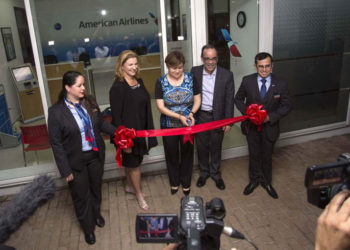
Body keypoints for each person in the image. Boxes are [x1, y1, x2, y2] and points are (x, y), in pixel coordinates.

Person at [48, 71, 116, 245]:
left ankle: (96, 214)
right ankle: (88, 228)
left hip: (94, 156)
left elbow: (101, 124)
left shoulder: (89, 102)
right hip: (75, 162)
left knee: (95, 189)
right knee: (81, 196)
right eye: (79, 85)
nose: (83, 88)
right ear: (67, 88)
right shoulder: (56, 112)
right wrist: (65, 170)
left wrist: (120, 132)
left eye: (83, 84)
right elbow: (56, 144)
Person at [234, 52, 291, 199]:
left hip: (270, 127)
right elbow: (238, 99)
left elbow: (286, 106)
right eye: (260, 67)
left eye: (267, 66)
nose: (264, 70)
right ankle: (253, 181)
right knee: (253, 154)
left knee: (267, 155)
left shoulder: (281, 83)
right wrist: (248, 112)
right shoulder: (247, 81)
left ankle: (267, 182)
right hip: (251, 127)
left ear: (272, 66)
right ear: (255, 66)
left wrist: (269, 117)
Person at [109, 50, 157, 210]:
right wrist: (124, 142)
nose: (134, 67)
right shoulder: (117, 87)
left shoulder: (139, 82)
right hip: (128, 136)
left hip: (140, 132)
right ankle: (139, 194)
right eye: (130, 64)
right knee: (134, 165)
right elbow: (117, 117)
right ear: (121, 66)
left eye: (136, 64)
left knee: (134, 162)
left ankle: (130, 186)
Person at [155, 51, 201, 196]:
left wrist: (191, 114)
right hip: (169, 125)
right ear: (168, 66)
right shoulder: (160, 82)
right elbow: (160, 107)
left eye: (180, 67)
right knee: (172, 154)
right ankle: (174, 182)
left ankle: (186, 183)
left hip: (188, 123)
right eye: (174, 68)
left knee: (187, 154)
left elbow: (197, 99)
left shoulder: (191, 78)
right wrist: (178, 116)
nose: (177, 71)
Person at [191, 44, 235, 190]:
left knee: (216, 146)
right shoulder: (194, 72)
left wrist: (228, 121)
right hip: (201, 116)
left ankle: (216, 174)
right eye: (207, 58)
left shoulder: (227, 75)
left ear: (217, 58)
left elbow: (229, 99)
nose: (210, 62)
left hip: (218, 118)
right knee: (202, 147)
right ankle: (204, 173)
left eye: (213, 58)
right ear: (202, 59)